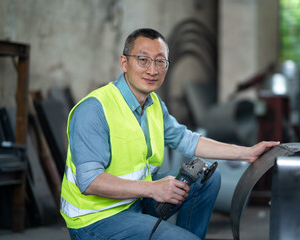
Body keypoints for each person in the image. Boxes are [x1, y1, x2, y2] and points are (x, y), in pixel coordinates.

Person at [60, 28, 279, 240]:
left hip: (134, 202)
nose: (153, 70)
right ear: (124, 63)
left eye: (160, 61)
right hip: (95, 220)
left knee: (205, 177)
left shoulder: (153, 105)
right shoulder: (95, 109)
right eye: (143, 60)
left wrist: (248, 153)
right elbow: (89, 182)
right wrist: (152, 188)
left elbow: (187, 140)